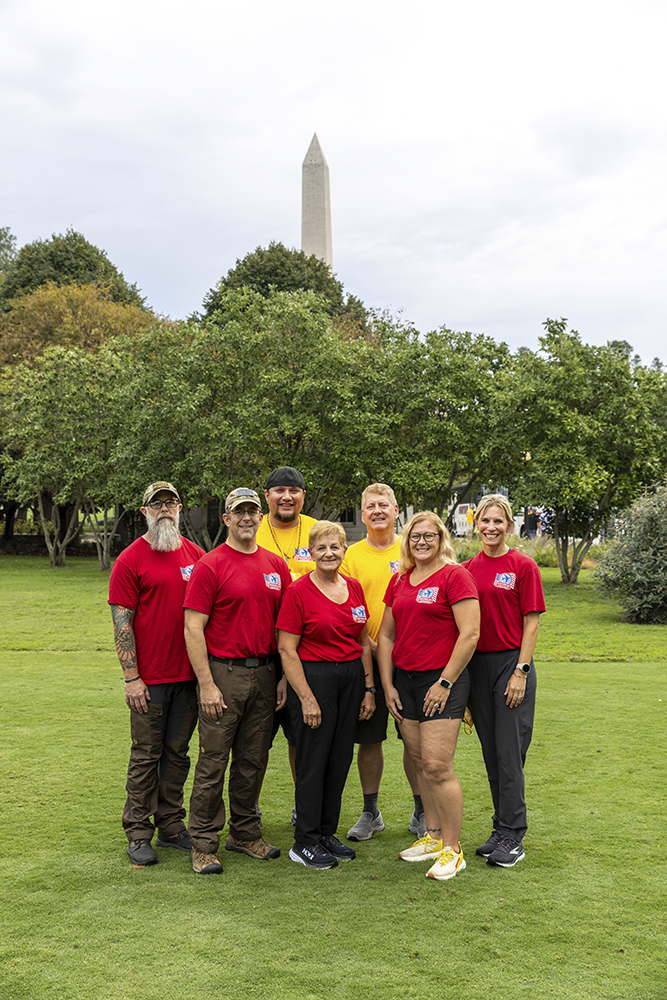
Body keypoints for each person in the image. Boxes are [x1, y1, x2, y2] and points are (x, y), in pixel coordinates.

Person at [183, 487, 292, 874]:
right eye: (238, 512)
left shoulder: (276, 565)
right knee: (213, 761)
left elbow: (285, 627)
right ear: (226, 518)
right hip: (223, 674)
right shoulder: (210, 565)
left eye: (253, 511)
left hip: (264, 672)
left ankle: (244, 832)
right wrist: (206, 684)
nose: (247, 518)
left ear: (260, 517)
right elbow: (193, 628)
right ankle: (203, 842)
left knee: (253, 760)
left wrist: (281, 677)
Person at [377, 511, 479, 881]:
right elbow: (386, 635)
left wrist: (445, 682)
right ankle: (433, 836)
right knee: (419, 761)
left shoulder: (455, 576)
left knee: (437, 766)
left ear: (441, 539)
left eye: (428, 536)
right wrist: (387, 685)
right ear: (407, 541)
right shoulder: (400, 580)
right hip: (404, 681)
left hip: (442, 683)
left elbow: (469, 634)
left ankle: (453, 849)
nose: (421, 542)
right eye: (415, 536)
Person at [108, 481, 205, 867]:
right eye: (156, 504)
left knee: (177, 754)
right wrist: (131, 677)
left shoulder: (197, 555)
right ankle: (137, 831)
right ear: (145, 511)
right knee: (146, 755)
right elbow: (122, 624)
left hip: (188, 677)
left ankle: (170, 824)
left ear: (180, 508)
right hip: (149, 681)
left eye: (171, 503)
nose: (164, 509)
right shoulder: (130, 560)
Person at [277, 521, 375, 869]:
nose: (329, 553)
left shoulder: (354, 588)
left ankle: (325, 833)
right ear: (311, 552)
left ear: (344, 550)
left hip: (350, 679)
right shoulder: (299, 591)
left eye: (335, 547)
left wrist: (368, 689)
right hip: (314, 677)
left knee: (339, 759)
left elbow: (363, 641)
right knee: (312, 760)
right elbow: (287, 650)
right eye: (321, 548)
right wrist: (305, 697)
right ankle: (304, 840)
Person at [463, 494, 546, 867]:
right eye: (485, 521)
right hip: (477, 667)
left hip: (511, 664)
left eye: (498, 521)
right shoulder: (466, 569)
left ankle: (513, 836)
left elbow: (532, 622)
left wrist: (520, 671)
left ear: (509, 525)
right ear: (475, 523)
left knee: (510, 753)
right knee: (491, 754)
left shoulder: (524, 566)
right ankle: (500, 827)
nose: (491, 527)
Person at [341, 483, 425, 842]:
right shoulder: (350, 555)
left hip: (410, 661)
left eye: (383, 505)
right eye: (370, 506)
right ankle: (370, 811)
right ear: (362, 514)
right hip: (366, 661)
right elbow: (343, 605)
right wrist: (373, 647)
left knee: (415, 740)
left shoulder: (411, 551)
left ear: (395, 510)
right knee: (369, 740)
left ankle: (422, 810)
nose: (377, 511)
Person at [255, 465, 319, 819]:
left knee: (302, 738)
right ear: (267, 496)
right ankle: (250, 807)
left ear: (302, 496)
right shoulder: (252, 528)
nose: (286, 497)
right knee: (256, 739)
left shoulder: (315, 531)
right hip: (262, 652)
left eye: (293, 491)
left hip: (308, 653)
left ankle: (302, 807)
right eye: (278, 490)